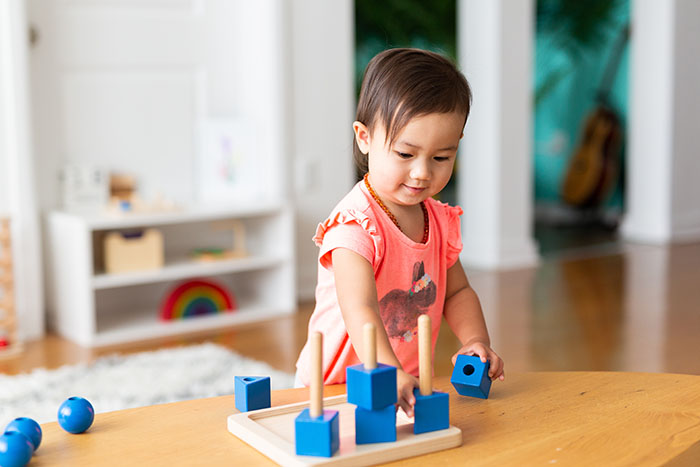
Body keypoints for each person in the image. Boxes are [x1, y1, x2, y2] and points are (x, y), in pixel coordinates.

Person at [295, 48, 504, 417]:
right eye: (406, 155)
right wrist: (387, 372)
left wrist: (475, 341)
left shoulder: (438, 220)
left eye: (441, 157)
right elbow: (360, 308)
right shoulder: (354, 226)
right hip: (333, 390)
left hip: (401, 382)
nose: (423, 173)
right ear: (364, 138)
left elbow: (457, 291)